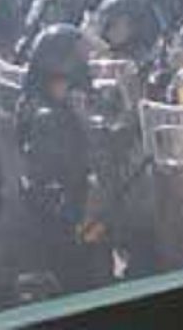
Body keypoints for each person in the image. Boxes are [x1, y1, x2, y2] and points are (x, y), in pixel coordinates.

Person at [16, 24, 110, 294]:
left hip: (47, 202)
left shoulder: (33, 99)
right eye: (81, 55)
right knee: (80, 275)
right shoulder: (50, 116)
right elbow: (73, 166)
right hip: (69, 204)